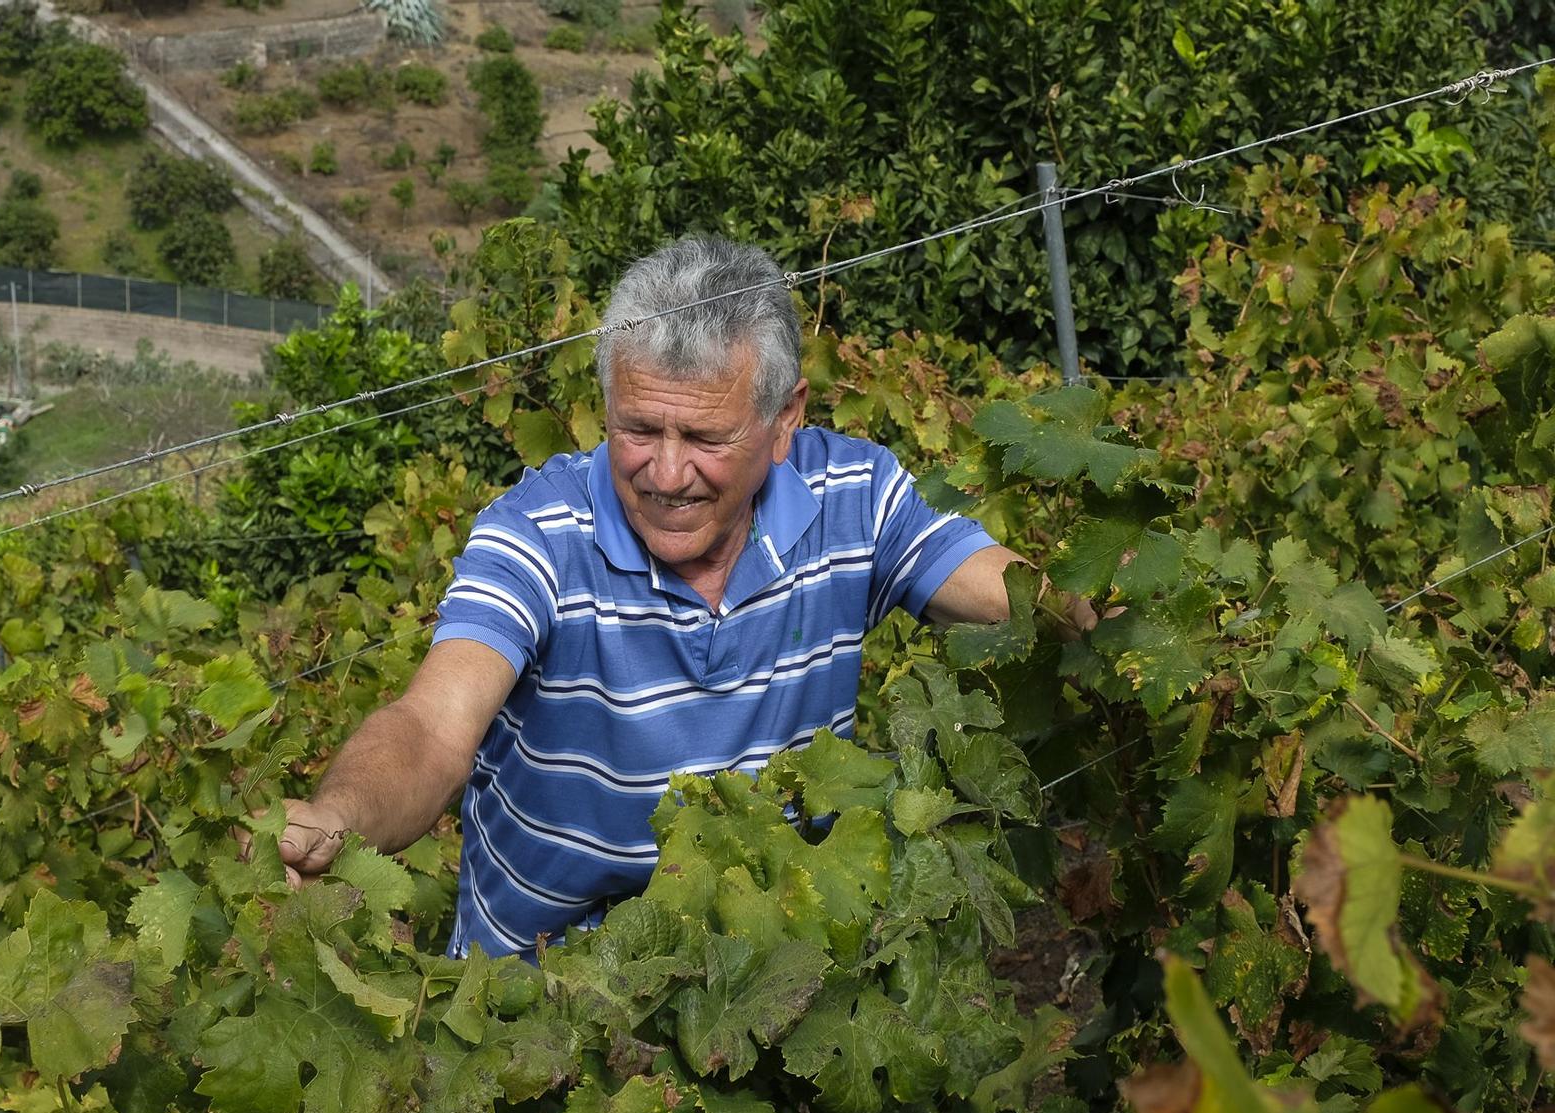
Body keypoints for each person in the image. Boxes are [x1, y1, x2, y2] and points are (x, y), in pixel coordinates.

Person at [274, 235, 1091, 958]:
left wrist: (1110, 620)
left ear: (783, 421)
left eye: (705, 438)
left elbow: (1002, 589)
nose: (666, 475)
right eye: (639, 430)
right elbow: (430, 728)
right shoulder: (536, 537)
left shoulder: (854, 496)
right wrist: (340, 816)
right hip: (542, 1006)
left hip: (765, 977)